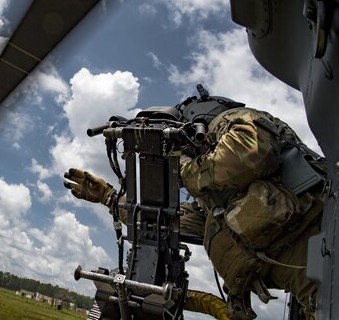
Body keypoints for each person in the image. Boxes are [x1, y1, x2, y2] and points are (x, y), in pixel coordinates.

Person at [63, 92, 326, 320]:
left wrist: (183, 167)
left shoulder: (233, 120)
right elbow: (164, 221)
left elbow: (252, 149)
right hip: (314, 293)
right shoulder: (216, 201)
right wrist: (109, 198)